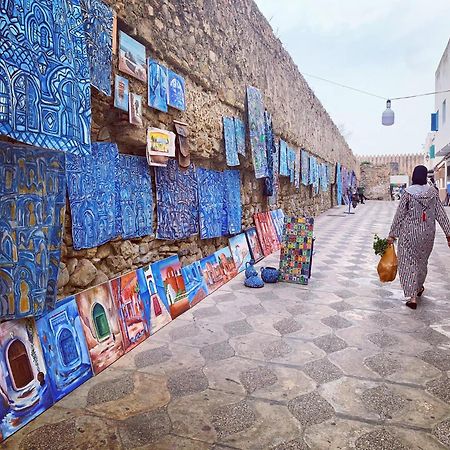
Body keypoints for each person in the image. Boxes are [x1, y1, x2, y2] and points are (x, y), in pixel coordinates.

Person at [388, 165, 450, 309]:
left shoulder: (408, 193)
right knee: (422, 262)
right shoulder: (433, 193)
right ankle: (419, 286)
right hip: (428, 234)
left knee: (407, 263)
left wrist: (392, 234)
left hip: (409, 234)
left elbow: (400, 215)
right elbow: (441, 214)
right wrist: (448, 234)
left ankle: (412, 297)